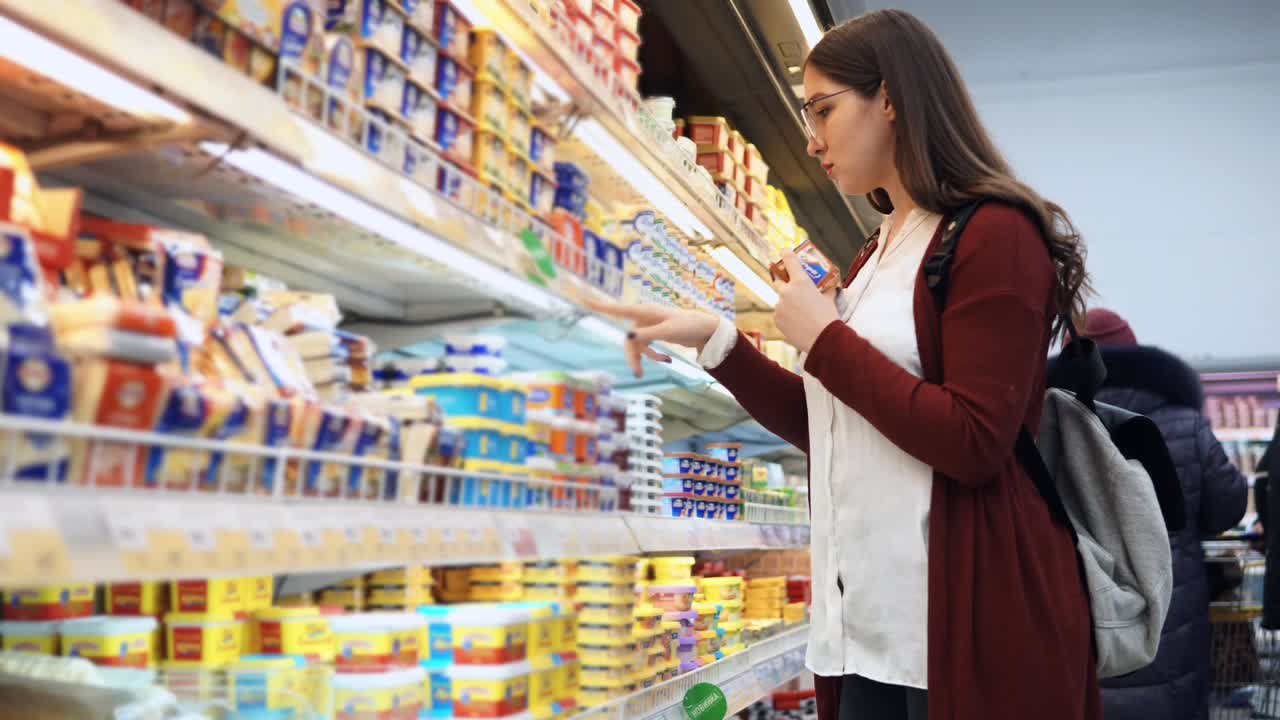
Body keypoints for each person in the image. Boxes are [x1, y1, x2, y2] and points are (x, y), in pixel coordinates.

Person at [590, 9, 1101, 720]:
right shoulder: (876, 250)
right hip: (865, 631)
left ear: (890, 99)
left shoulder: (995, 236)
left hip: (962, 633)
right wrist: (718, 342)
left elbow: (976, 442)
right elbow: (840, 426)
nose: (812, 138)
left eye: (824, 110)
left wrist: (828, 342)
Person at [1049, 308, 1248, 720]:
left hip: (1084, 617)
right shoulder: (1184, 423)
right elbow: (1228, 507)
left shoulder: (1046, 426)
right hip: (1170, 620)